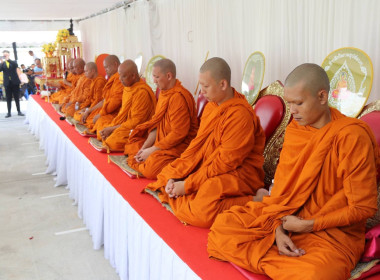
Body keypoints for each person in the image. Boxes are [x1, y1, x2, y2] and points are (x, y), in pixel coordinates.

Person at [207, 63, 379, 280]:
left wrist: (308, 225)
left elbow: (363, 208)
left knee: (316, 274)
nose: (293, 111)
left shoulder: (351, 137)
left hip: (331, 232)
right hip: (287, 219)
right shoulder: (297, 130)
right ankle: (276, 252)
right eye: (289, 103)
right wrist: (277, 229)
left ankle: (274, 259)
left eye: (299, 103)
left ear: (322, 97)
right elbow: (281, 192)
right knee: (223, 227)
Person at [145, 57, 266, 227]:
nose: (201, 92)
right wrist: (181, 172)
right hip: (209, 166)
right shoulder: (212, 106)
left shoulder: (240, 116)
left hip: (238, 173)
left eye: (206, 87)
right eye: (201, 86)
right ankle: (185, 187)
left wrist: (187, 185)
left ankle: (255, 199)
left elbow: (225, 164)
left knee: (201, 208)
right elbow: (198, 147)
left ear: (223, 84)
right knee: (167, 173)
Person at [123, 58, 198, 179]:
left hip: (178, 145)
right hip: (162, 142)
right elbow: (157, 124)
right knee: (133, 147)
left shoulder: (178, 97)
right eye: (153, 76)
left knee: (151, 169)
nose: (154, 80)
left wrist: (152, 150)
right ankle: (148, 156)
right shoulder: (164, 93)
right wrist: (145, 148)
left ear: (168, 76)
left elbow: (179, 134)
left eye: (156, 77)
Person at [93, 59, 156, 152]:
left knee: (112, 142)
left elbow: (136, 122)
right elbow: (123, 113)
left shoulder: (141, 92)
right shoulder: (127, 87)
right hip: (123, 124)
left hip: (136, 129)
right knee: (101, 129)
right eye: (119, 76)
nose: (120, 80)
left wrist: (112, 129)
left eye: (123, 77)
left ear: (133, 76)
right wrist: (112, 126)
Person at [80, 55, 124, 131]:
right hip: (107, 110)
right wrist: (89, 110)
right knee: (88, 117)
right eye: (104, 68)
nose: (105, 70)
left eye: (107, 67)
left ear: (115, 64)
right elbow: (104, 100)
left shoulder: (120, 80)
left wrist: (100, 114)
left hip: (117, 113)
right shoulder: (113, 79)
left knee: (98, 122)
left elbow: (115, 103)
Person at [0, 50, 24, 117]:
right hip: (7, 83)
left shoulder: (13, 62)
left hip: (15, 82)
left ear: (9, 54)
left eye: (6, 55)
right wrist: (1, 62)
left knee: (16, 97)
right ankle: (9, 112)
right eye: (4, 55)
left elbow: (16, 65)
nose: (5, 56)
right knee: (8, 98)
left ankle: (19, 111)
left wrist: (8, 60)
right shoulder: (3, 63)